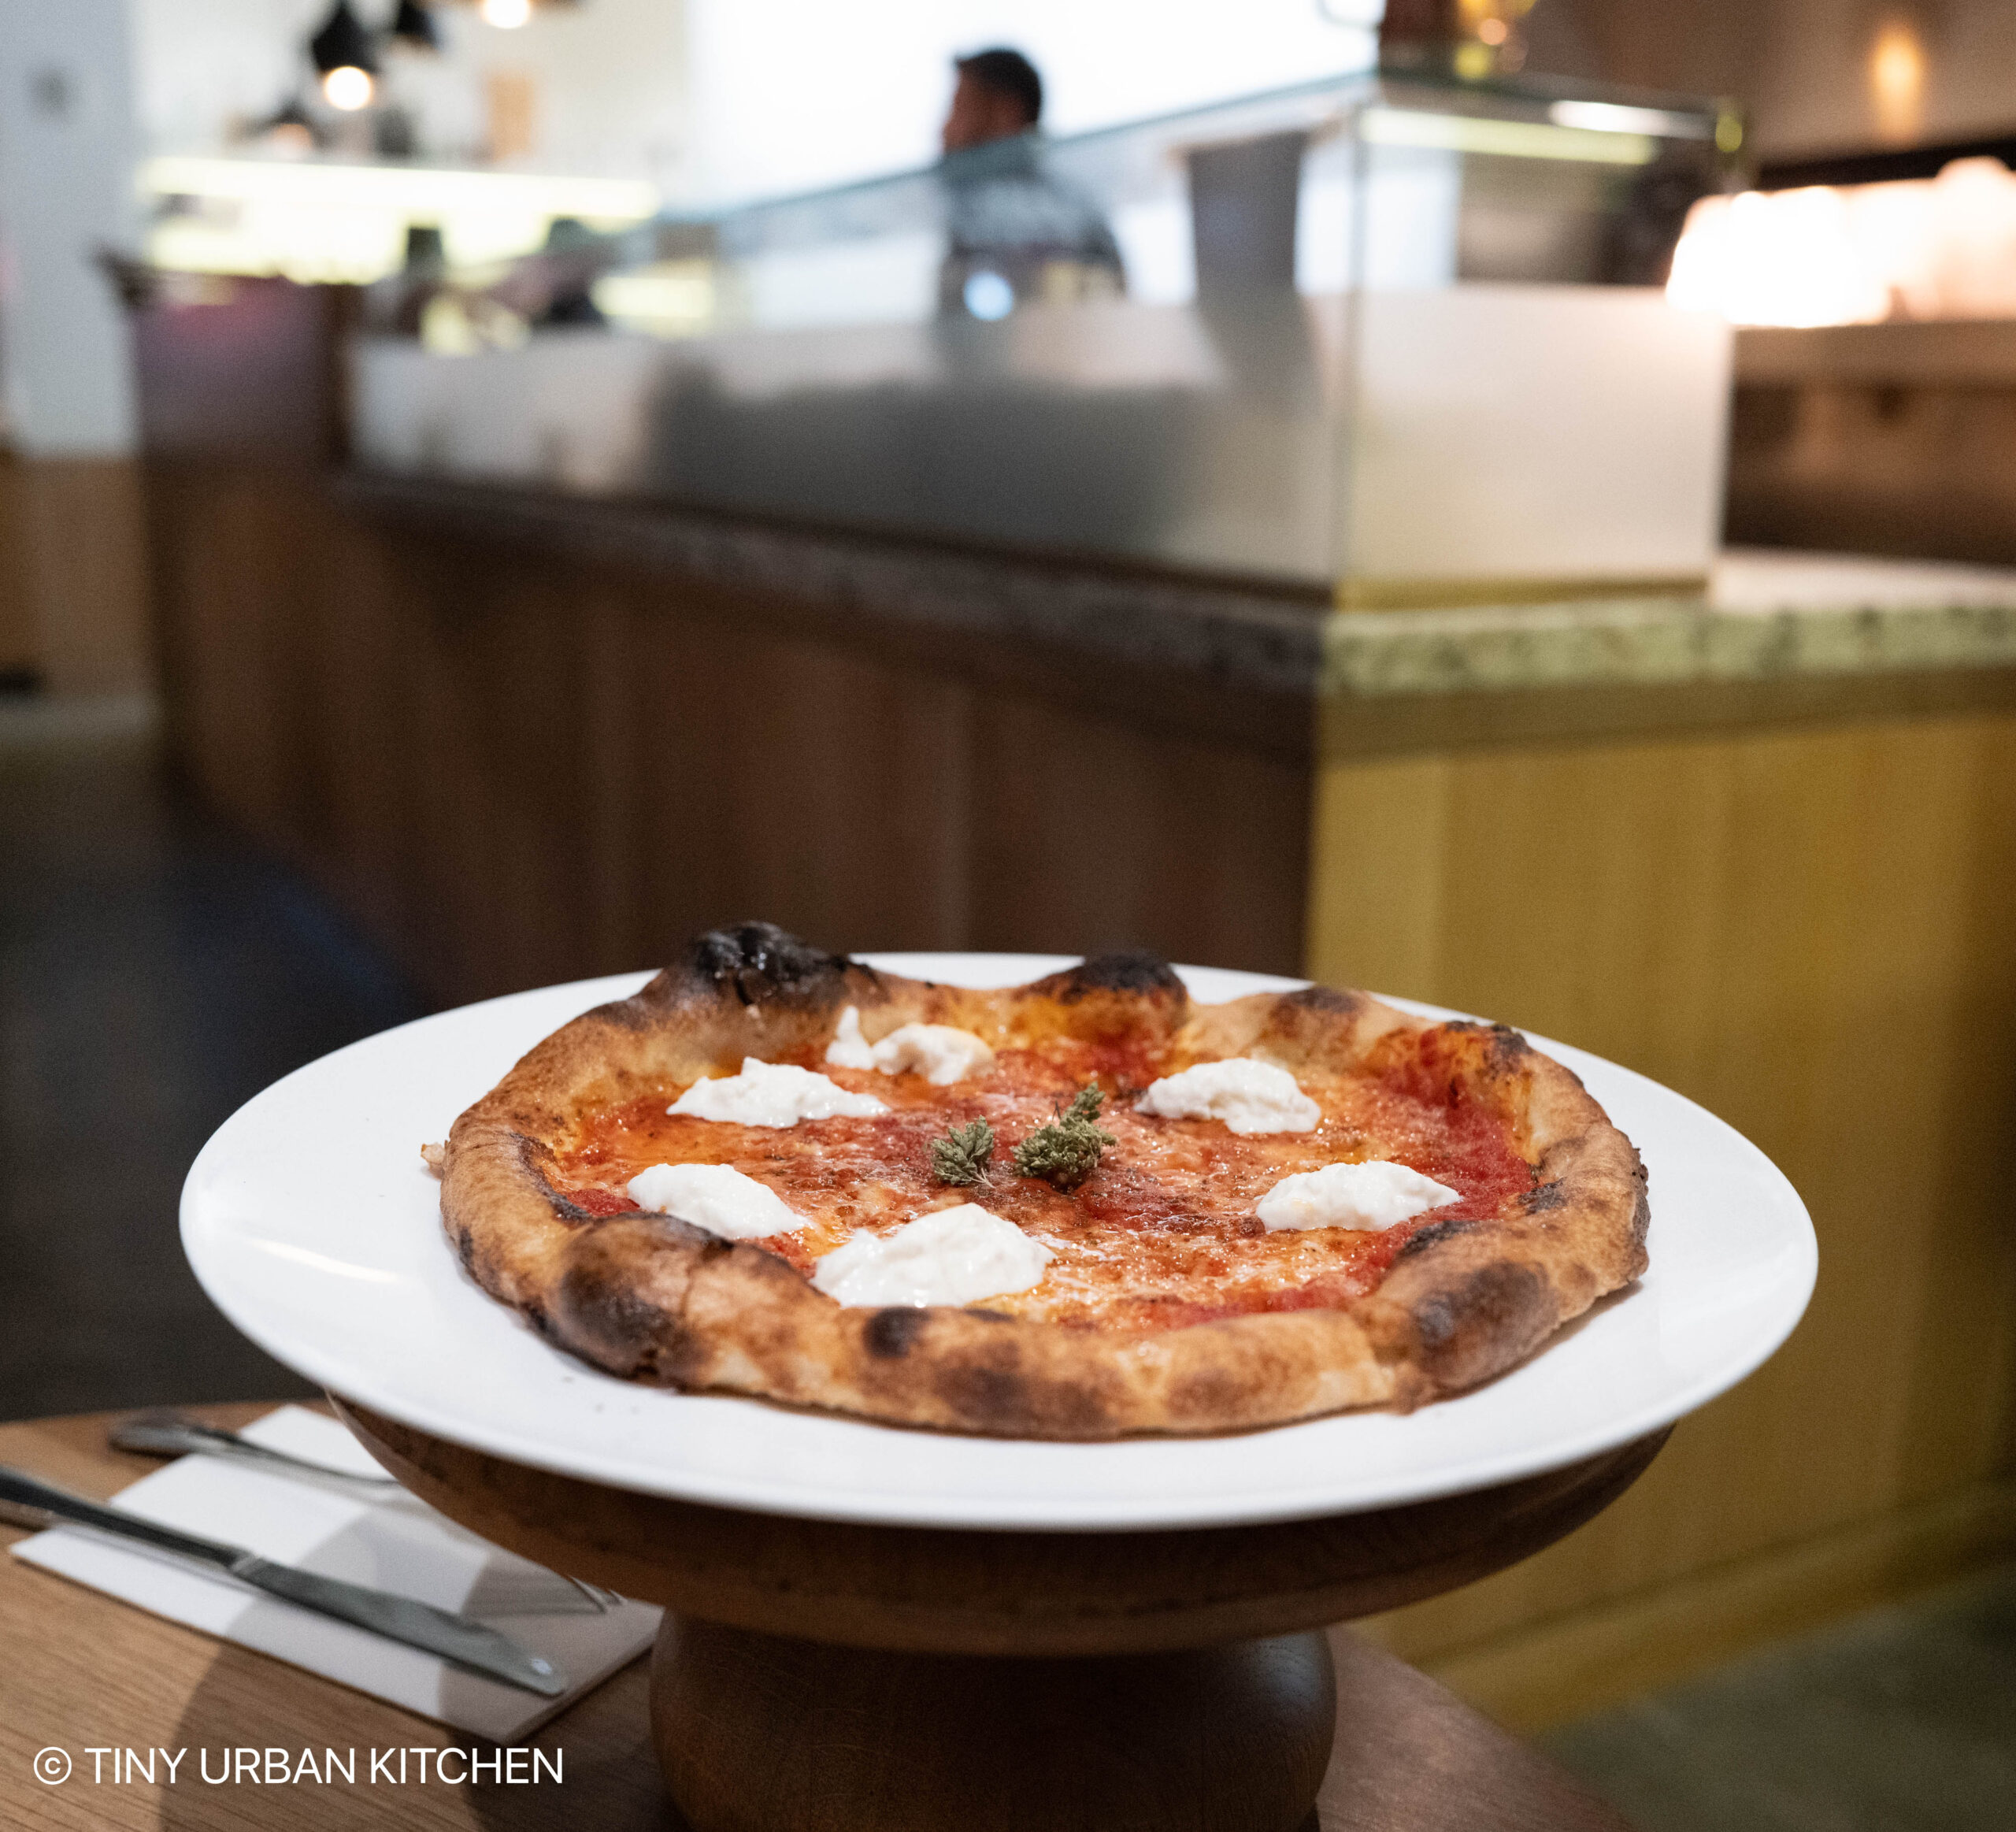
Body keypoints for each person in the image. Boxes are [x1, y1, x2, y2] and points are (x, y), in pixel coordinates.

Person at [936, 48, 1123, 319]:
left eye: (959, 108)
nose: (944, 129)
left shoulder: (1068, 208)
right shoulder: (956, 209)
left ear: (1006, 112)